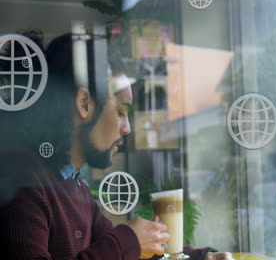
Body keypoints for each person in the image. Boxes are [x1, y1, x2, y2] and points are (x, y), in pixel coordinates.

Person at [0, 31, 232, 260]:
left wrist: (201, 257)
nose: (127, 128)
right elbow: (118, 248)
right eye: (121, 112)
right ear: (84, 104)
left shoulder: (74, 186)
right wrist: (126, 242)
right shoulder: (22, 180)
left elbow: (124, 250)